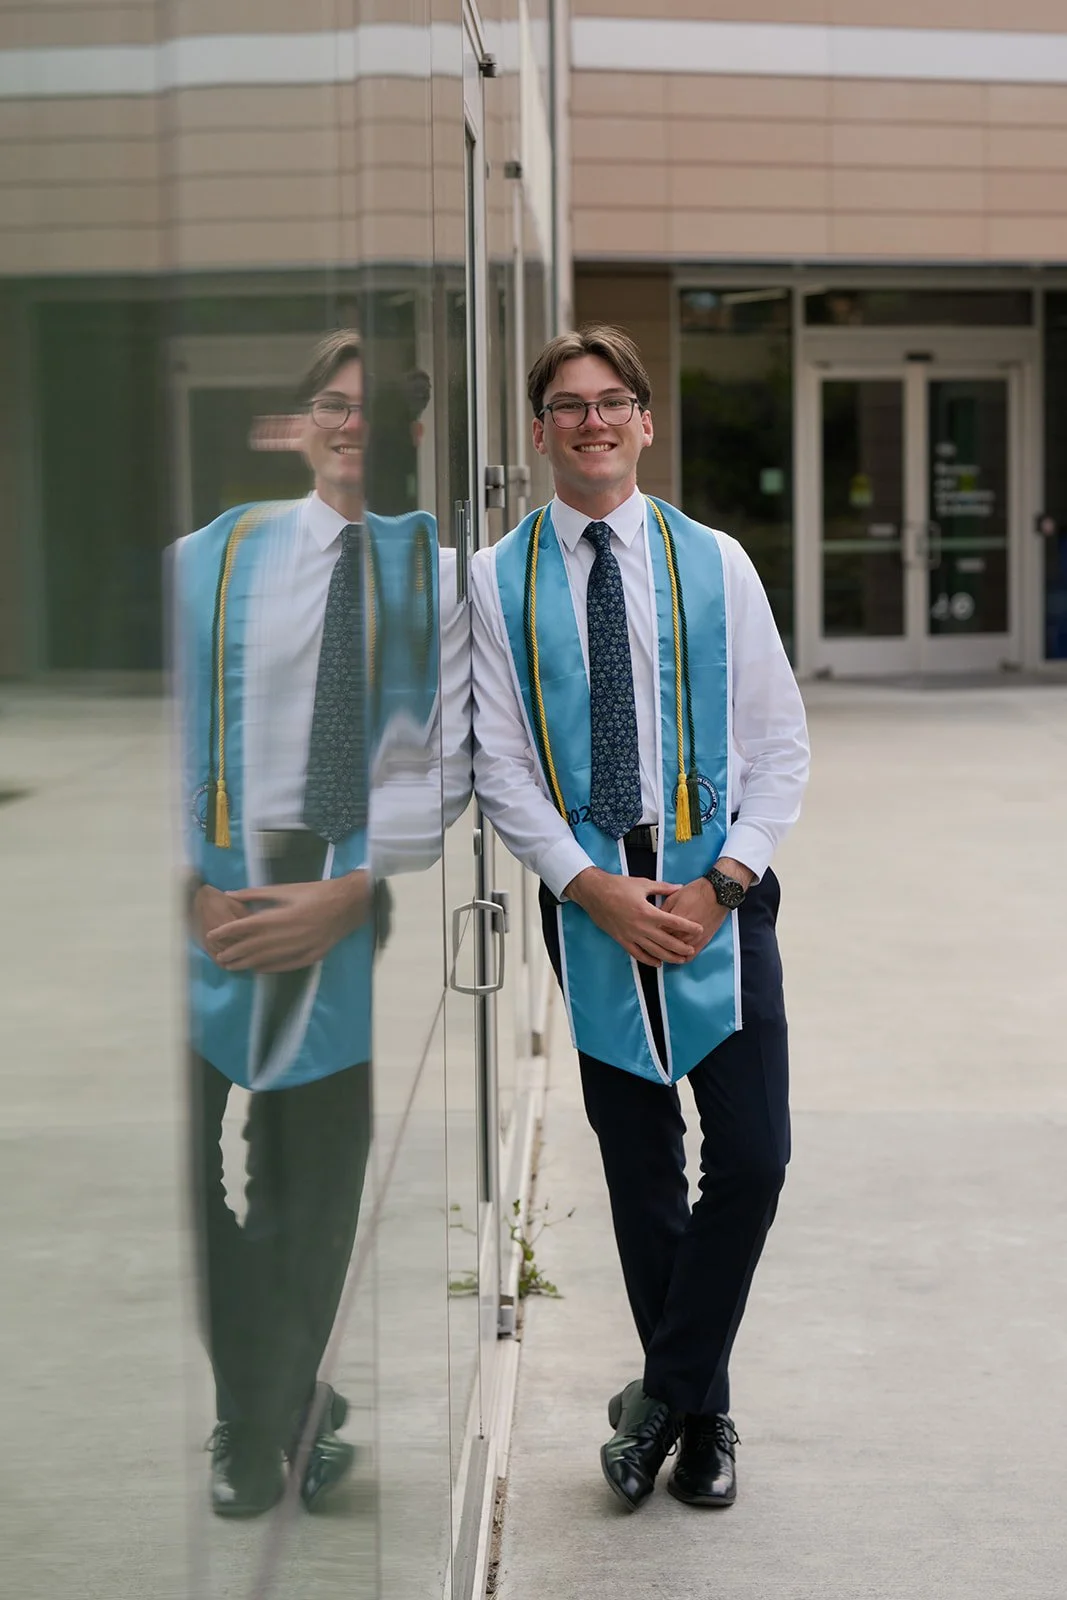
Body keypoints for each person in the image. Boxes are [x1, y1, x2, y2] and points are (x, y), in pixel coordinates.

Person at [471, 325, 809, 1512]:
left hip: (718, 897)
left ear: (644, 423)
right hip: (593, 909)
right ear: (539, 431)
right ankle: (707, 1422)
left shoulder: (713, 561)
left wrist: (723, 884)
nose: (593, 421)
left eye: (613, 402)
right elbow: (501, 765)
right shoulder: (490, 580)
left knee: (754, 1159)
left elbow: (776, 742)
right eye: (567, 405)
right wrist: (590, 887)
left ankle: (660, 1398)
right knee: (641, 1169)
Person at [173, 330, 448, 1518]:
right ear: (299, 421)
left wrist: (352, 887)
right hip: (215, 885)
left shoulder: (431, 569)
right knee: (187, 1172)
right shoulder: (211, 554)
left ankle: (260, 1419)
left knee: (306, 1177)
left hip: (338, 888)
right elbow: (167, 729)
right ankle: (275, 1394)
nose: (350, 427)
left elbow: (444, 754)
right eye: (332, 406)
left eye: (373, 412)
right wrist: (188, 879)